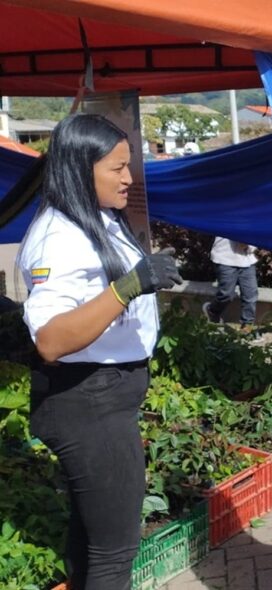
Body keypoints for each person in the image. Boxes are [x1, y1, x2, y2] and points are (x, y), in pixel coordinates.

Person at [17, 113, 182, 590]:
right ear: (79, 167)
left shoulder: (96, 217)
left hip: (103, 398)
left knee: (92, 537)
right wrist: (130, 286)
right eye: (117, 168)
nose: (129, 178)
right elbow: (49, 339)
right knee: (115, 553)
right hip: (88, 403)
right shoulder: (59, 238)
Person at [202, 236, 260, 333]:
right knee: (226, 294)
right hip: (225, 258)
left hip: (247, 259)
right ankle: (212, 311)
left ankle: (247, 326)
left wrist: (250, 246)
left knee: (251, 293)